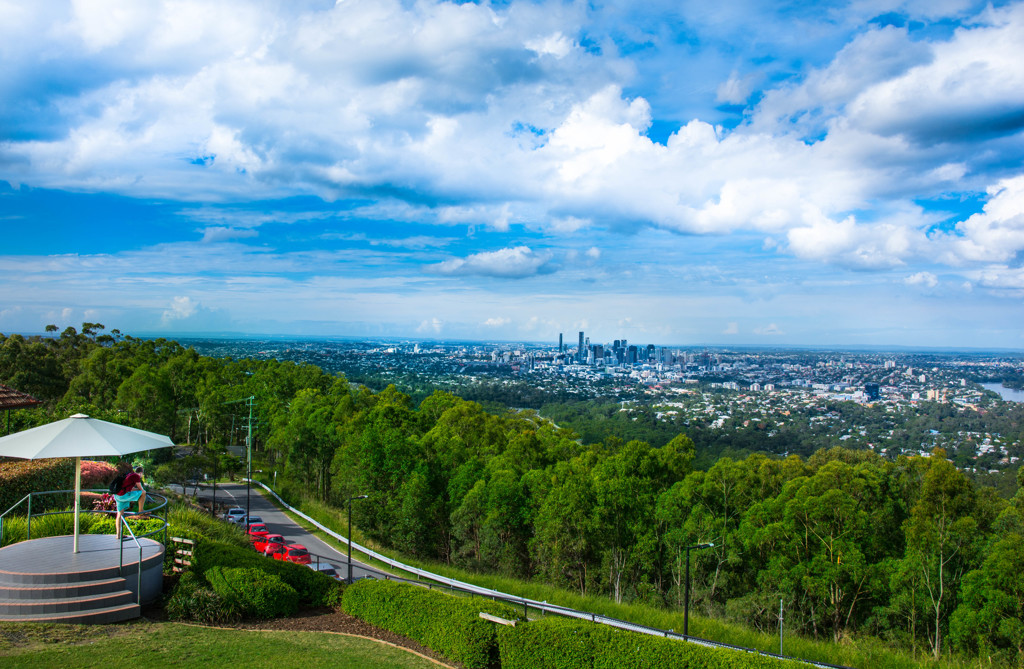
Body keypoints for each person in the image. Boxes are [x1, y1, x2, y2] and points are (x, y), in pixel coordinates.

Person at [113, 463, 147, 539]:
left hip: (117, 495)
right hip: (123, 496)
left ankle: (118, 535)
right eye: (142, 474)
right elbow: (142, 490)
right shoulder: (136, 476)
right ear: (141, 473)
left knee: (120, 514)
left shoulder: (130, 475)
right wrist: (140, 490)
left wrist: (137, 490)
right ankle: (140, 510)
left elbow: (130, 488)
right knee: (144, 493)